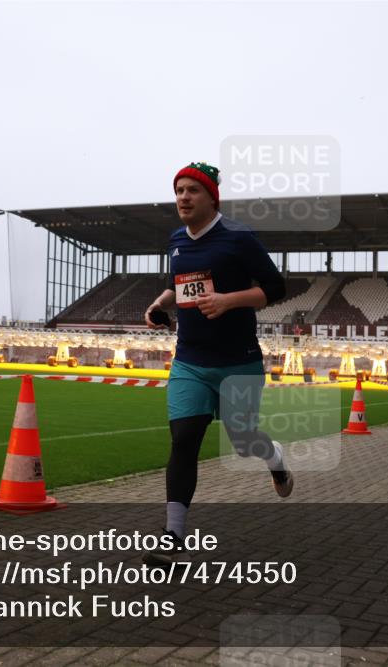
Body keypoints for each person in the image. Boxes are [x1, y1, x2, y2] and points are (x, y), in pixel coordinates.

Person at [142, 162, 290, 567]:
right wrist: (158, 305)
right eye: (178, 191)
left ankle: (274, 456)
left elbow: (275, 288)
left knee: (243, 442)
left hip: (237, 363)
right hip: (189, 360)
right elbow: (177, 288)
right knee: (184, 440)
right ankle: (173, 536)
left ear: (211, 197)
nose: (183, 198)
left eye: (192, 191)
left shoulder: (238, 239)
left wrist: (228, 300)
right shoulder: (176, 240)